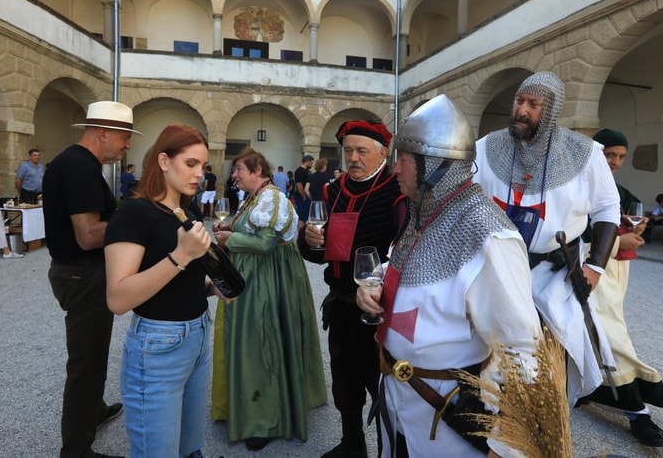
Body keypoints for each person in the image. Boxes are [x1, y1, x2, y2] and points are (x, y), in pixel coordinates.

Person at [357, 94, 542, 456]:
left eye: (404, 161)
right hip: (398, 401)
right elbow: (403, 269)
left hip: (444, 418)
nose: (394, 170)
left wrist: (506, 447)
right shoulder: (422, 215)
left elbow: (524, 348)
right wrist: (374, 285)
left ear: (435, 165)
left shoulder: (488, 236)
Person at [474, 70, 621, 407]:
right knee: (489, 352)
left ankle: (542, 418)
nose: (522, 111)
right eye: (519, 101)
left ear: (551, 109)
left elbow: (608, 209)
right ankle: (490, 416)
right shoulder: (486, 148)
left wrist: (595, 268)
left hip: (552, 274)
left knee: (547, 358)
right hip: (494, 270)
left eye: (533, 104)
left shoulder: (585, 154)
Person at [104, 124, 220, 458]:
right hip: (156, 347)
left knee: (190, 446)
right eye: (191, 164)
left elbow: (182, 280)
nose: (200, 174)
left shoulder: (188, 213)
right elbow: (118, 298)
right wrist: (182, 254)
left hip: (198, 336)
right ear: (164, 161)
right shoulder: (133, 214)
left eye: (203, 166)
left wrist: (214, 286)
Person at [210, 148, 327, 451]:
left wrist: (228, 239)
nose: (234, 174)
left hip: (270, 279)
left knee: (262, 341)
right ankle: (248, 406)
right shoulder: (256, 196)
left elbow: (264, 244)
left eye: (238, 169)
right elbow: (252, 228)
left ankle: (266, 419)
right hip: (259, 275)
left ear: (257, 170)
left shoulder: (271, 198)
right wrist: (230, 226)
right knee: (253, 340)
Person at [299, 120, 403, 458]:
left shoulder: (398, 191)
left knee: (386, 385)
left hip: (381, 308)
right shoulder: (332, 191)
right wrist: (310, 241)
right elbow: (317, 256)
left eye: (362, 151)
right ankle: (353, 443)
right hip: (342, 303)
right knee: (345, 382)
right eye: (348, 151)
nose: (353, 158)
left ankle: (394, 450)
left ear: (383, 153)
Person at [43, 100, 140, 458]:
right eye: (125, 137)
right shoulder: (81, 168)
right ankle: (76, 449)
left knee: (94, 352)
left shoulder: (75, 162)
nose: (127, 145)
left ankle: (93, 411)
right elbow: (88, 235)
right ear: (103, 133)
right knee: (86, 362)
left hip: (77, 271)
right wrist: (135, 221)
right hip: (82, 273)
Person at [579, 129, 663, 447]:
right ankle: (638, 413)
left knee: (594, 331)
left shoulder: (622, 191)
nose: (615, 162)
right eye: (609, 155)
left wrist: (637, 230)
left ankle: (582, 389)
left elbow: (627, 227)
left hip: (615, 274)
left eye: (620, 156)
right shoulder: (578, 186)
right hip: (587, 270)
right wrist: (619, 240)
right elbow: (577, 236)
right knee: (608, 334)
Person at [293, 154, 314, 222]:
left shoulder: (308, 172)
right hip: (301, 197)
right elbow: (299, 185)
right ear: (308, 161)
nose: (312, 165)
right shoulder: (299, 171)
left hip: (307, 196)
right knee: (302, 217)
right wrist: (304, 196)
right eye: (311, 163)